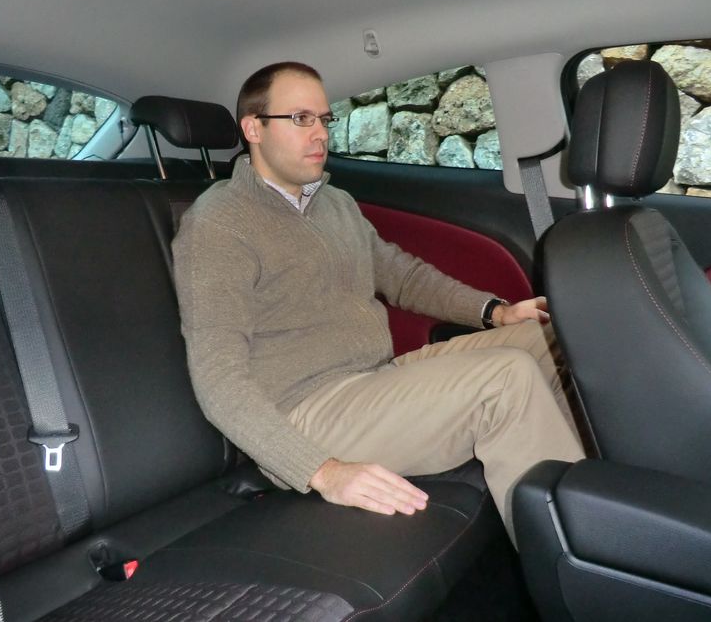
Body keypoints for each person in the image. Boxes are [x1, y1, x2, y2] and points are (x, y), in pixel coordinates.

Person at [172, 61, 584, 542]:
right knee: (506, 379)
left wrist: (496, 312)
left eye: (324, 119)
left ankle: (584, 489)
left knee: (549, 339)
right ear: (253, 129)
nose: (320, 133)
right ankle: (580, 550)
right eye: (301, 119)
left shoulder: (334, 204)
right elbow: (218, 381)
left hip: (376, 377)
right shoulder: (218, 224)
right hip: (307, 413)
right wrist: (323, 471)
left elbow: (404, 277)